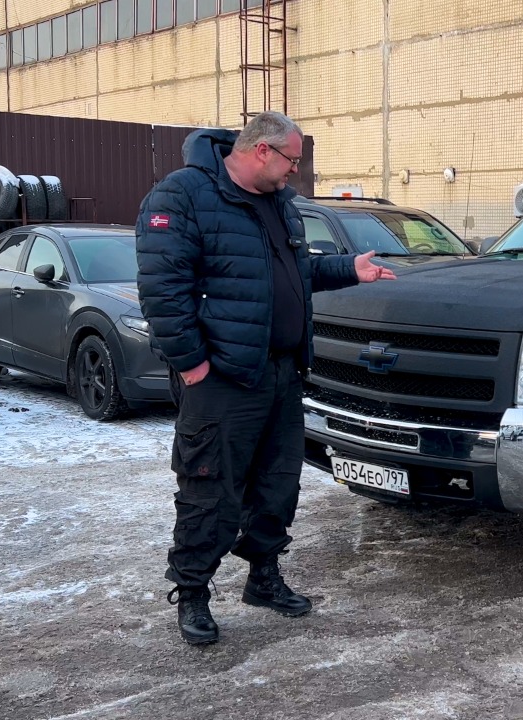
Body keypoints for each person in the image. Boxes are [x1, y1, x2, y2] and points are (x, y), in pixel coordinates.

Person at [136, 112, 396, 645]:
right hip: (222, 379)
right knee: (210, 491)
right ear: (261, 151)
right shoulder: (183, 195)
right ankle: (192, 594)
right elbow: (163, 293)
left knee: (278, 486)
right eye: (291, 161)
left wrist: (350, 268)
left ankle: (263, 577)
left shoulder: (278, 204)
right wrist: (192, 365)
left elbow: (294, 273)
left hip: (280, 372)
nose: (295, 173)